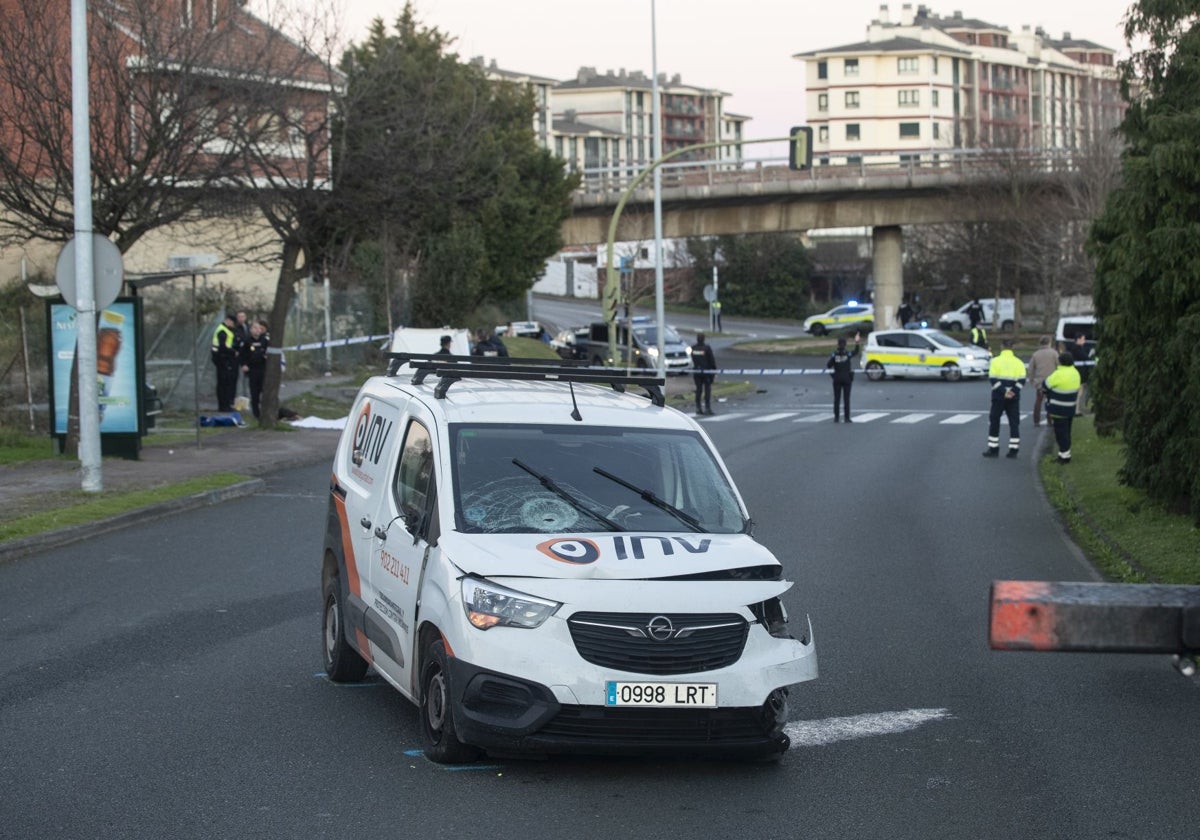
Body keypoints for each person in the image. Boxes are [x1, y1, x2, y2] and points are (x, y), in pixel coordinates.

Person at [983, 337, 1027, 458]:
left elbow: (993, 379)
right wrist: (1013, 391)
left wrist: (1003, 392)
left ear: (1002, 347)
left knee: (994, 421)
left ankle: (993, 448)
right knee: (1014, 422)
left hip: (998, 396)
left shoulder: (995, 361)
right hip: (1014, 397)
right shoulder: (1019, 362)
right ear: (1012, 348)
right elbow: (1022, 380)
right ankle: (1013, 450)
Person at [1044, 351, 1082, 465]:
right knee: (1067, 431)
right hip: (1070, 407)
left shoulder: (1058, 374)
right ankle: (1063, 453)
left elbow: (1045, 386)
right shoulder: (1076, 373)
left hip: (1058, 408)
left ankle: (1065, 456)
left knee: (1061, 433)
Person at [825, 332, 861, 423]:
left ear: (837, 344)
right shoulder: (847, 354)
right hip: (847, 378)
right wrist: (857, 342)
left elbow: (828, 365)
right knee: (846, 399)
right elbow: (856, 352)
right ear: (845, 345)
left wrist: (834, 360)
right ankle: (847, 418)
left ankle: (836, 417)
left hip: (837, 378)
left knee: (837, 399)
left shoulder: (835, 355)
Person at [240, 318, 270, 420]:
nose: (257, 330)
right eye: (255, 328)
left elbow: (269, 351)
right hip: (252, 370)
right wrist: (243, 364)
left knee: (265, 391)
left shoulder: (265, 340)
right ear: (251, 330)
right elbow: (242, 355)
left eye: (259, 328)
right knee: (254, 393)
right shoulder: (247, 341)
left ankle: (266, 411)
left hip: (263, 368)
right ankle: (256, 414)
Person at [210, 312, 241, 412]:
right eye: (232, 323)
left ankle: (226, 404)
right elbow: (223, 346)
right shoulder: (222, 331)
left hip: (225, 358)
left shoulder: (227, 330)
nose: (233, 325)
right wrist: (234, 352)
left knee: (227, 383)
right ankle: (223, 406)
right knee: (224, 383)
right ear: (228, 321)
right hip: (222, 358)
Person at [1026, 335, 1059, 426]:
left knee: (1038, 401)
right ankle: (1050, 420)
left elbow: (1031, 369)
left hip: (1040, 381)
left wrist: (1032, 379)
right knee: (1051, 401)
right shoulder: (1054, 353)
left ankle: (1036, 420)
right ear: (1049, 343)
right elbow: (1059, 366)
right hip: (1052, 381)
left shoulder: (1036, 354)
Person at [690, 331, 717, 415]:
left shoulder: (693, 348)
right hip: (706, 372)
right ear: (704, 339)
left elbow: (692, 359)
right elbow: (711, 360)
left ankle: (698, 407)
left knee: (698, 390)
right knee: (707, 390)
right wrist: (714, 370)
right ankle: (707, 408)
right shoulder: (707, 348)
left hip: (697, 372)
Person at [1067, 332, 1094, 415]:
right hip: (1078, 373)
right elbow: (1085, 357)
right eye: (1083, 339)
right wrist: (1091, 354)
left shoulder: (1077, 348)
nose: (1084, 341)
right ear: (1078, 339)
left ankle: (1076, 409)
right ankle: (1075, 410)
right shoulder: (1076, 348)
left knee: (1080, 392)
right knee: (1078, 392)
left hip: (1079, 373)